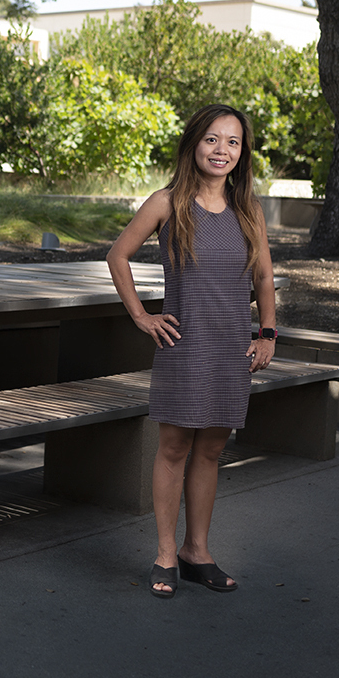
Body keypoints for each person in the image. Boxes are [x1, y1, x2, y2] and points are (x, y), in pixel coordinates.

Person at [106, 104, 277, 599]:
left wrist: (266, 333)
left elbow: (264, 276)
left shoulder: (249, 210)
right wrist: (142, 316)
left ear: (242, 153)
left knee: (212, 449)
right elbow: (118, 255)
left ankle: (196, 551)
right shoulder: (167, 202)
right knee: (175, 447)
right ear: (193, 144)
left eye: (233, 142)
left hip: (231, 347)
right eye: (211, 139)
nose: (221, 150)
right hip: (184, 344)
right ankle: (164, 553)